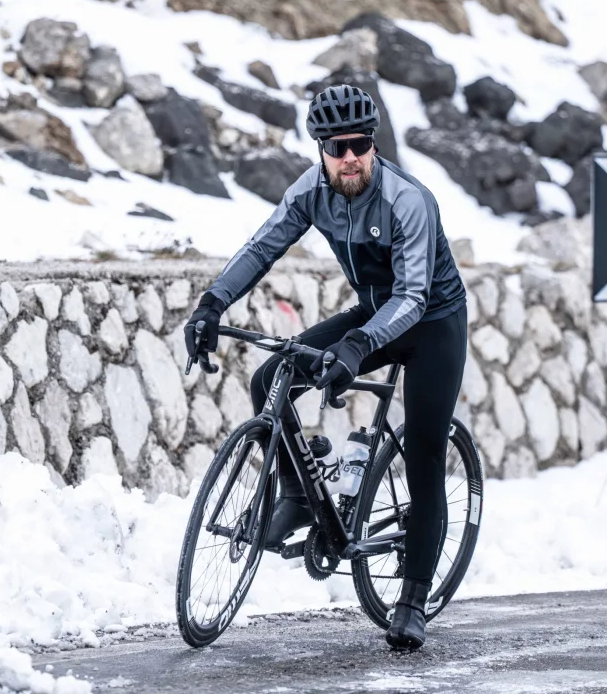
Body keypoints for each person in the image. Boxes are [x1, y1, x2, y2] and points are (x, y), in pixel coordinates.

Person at [183, 84, 468, 650]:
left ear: (374, 145)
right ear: (321, 150)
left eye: (360, 145)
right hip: (374, 311)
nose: (350, 158)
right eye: (337, 148)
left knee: (425, 458)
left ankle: (413, 600)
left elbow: (412, 297)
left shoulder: (408, 199)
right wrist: (212, 304)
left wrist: (356, 347)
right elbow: (261, 248)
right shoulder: (311, 191)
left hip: (433, 322)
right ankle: (296, 496)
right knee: (272, 378)